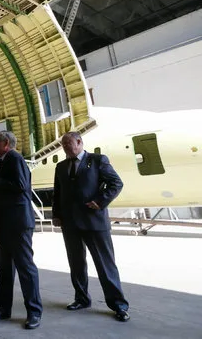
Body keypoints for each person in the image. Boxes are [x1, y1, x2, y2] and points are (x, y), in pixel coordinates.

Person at [52, 132, 130, 322]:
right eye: (63, 145)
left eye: (68, 144)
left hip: (94, 223)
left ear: (79, 142)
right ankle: (82, 299)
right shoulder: (61, 167)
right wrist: (56, 214)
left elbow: (116, 183)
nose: (65, 148)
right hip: (70, 224)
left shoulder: (97, 160)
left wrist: (101, 201)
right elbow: (58, 192)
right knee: (76, 264)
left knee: (105, 265)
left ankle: (119, 305)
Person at [0, 131, 43, 330]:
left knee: (25, 269)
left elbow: (20, 185)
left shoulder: (15, 159)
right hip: (6, 223)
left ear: (6, 143)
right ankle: (2, 309)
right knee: (5, 270)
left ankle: (34, 312)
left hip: (18, 224)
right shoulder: (2, 161)